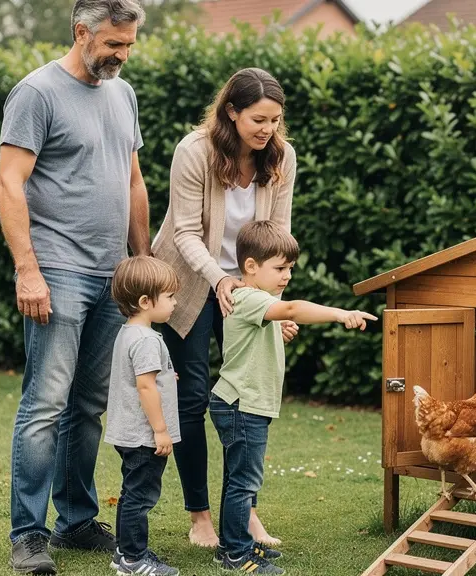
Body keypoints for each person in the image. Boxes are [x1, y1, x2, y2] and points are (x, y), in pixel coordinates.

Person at [0, 0, 150, 572]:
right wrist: (28, 270)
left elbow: (133, 180)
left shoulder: (122, 94)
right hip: (56, 270)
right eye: (113, 43)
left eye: (129, 44)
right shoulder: (36, 93)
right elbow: (10, 183)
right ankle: (28, 534)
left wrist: (143, 259)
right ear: (81, 31)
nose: (122, 55)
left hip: (111, 275)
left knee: (86, 406)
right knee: (44, 404)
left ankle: (76, 521)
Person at [152, 67, 297, 548]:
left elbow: (278, 238)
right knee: (192, 399)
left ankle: (245, 511)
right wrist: (220, 281)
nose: (268, 130)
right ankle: (200, 517)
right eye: (258, 119)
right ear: (231, 112)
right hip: (190, 281)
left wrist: (274, 308)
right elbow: (184, 232)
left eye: (275, 120)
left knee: (249, 399)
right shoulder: (194, 152)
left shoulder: (281, 158)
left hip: (249, 289)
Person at [212, 220, 377, 574]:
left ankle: (231, 543)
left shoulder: (257, 301)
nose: (287, 276)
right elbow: (291, 308)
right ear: (251, 266)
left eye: (290, 269)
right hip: (243, 403)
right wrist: (340, 314)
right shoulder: (248, 296)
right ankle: (237, 553)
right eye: (280, 268)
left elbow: (268, 327)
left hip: (242, 402)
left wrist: (276, 332)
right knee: (244, 481)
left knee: (238, 478)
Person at [105, 256, 182, 576]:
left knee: (130, 491)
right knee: (141, 495)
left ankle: (124, 551)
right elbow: (145, 387)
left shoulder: (129, 334)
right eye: (170, 297)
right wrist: (160, 431)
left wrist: (166, 376)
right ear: (145, 301)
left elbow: (145, 377)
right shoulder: (149, 339)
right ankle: (134, 561)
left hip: (127, 431)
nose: (175, 303)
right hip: (144, 434)